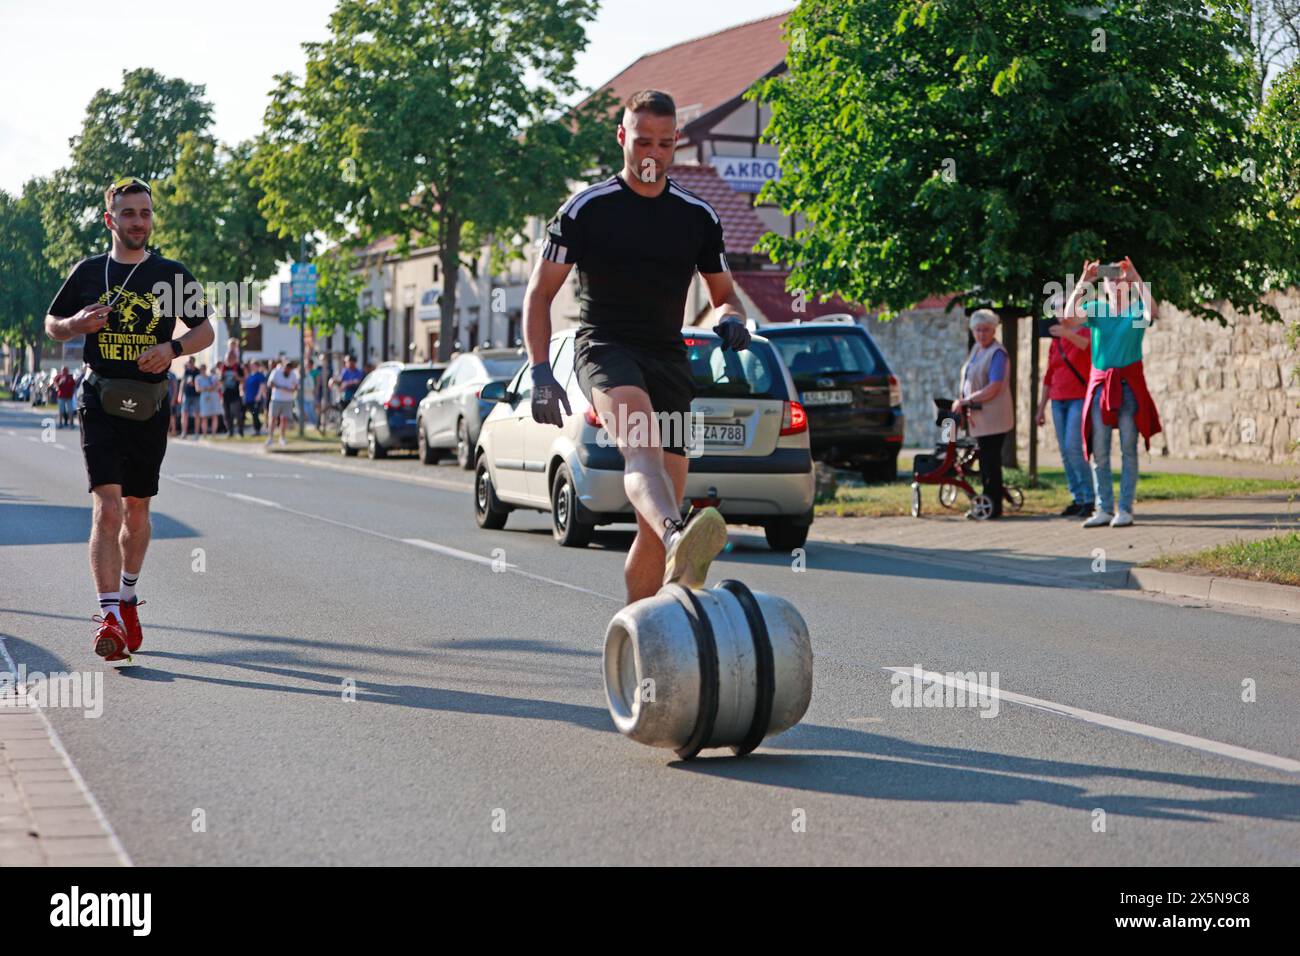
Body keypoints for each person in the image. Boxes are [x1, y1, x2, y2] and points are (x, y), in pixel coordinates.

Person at [524, 89, 751, 603]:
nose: (652, 154)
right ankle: (679, 533)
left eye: (664, 144)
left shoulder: (696, 217)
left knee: (652, 515)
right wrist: (541, 371)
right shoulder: (587, 209)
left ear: (676, 146)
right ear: (623, 137)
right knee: (642, 455)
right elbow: (539, 295)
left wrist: (732, 319)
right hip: (605, 350)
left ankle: (639, 636)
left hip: (668, 359)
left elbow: (724, 296)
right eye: (642, 141)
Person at [43, 174, 214, 660]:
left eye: (145, 213)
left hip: (150, 404)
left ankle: (128, 596)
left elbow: (205, 332)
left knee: (138, 508)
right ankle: (109, 615)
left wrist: (172, 348)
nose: (138, 221)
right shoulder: (89, 272)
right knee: (108, 506)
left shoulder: (172, 275)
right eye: (128, 213)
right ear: (109, 219)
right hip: (98, 399)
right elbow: (52, 323)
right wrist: (75, 324)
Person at [1064, 256, 1163, 528]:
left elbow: (1152, 313)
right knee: (1099, 451)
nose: (1116, 283)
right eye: (1111, 279)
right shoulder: (1097, 309)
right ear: (1104, 285)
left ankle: (1125, 509)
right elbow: (1068, 319)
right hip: (1100, 389)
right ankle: (1104, 509)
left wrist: (1137, 277)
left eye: (1120, 279)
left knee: (1128, 449)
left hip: (1128, 388)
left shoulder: (1135, 312)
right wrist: (1084, 282)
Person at [952, 309, 1013, 520]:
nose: (981, 334)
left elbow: (994, 386)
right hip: (979, 418)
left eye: (986, 330)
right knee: (986, 462)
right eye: (977, 330)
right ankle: (990, 500)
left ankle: (993, 505)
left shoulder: (997, 353)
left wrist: (967, 400)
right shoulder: (977, 349)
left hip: (993, 417)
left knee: (990, 462)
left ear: (994, 330)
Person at [1035, 299, 1094, 516]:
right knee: (1065, 452)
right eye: (1057, 311)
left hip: (1079, 397)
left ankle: (1090, 498)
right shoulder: (1056, 342)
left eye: (1063, 310)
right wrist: (1041, 408)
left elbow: (1085, 346)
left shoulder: (1085, 332)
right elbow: (1049, 376)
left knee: (1073, 448)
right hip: (1058, 400)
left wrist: (1066, 333)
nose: (1059, 314)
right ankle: (1077, 498)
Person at [265, 357, 299, 448]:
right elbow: (270, 383)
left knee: (284, 420)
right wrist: (281, 387)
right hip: (276, 399)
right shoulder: (276, 371)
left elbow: (296, 386)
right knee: (273, 419)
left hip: (287, 400)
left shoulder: (293, 374)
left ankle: (282, 438)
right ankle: (270, 438)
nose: (288, 370)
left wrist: (292, 389)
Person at [219, 353, 244, 437]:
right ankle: (230, 432)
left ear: (235, 359)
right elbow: (220, 381)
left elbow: (243, 380)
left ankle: (240, 432)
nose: (229, 360)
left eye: (231, 358)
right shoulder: (224, 368)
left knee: (237, 414)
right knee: (227, 415)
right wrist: (222, 378)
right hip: (225, 394)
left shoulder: (238, 368)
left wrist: (237, 378)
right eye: (228, 358)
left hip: (235, 395)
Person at [243, 360, 267, 435]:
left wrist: (259, 396)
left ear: (257, 366)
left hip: (256, 398)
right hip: (249, 398)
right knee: (252, 414)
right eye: (251, 365)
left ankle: (257, 430)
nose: (251, 367)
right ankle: (257, 428)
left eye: (253, 365)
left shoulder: (260, 375)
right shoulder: (250, 375)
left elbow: (262, 386)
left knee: (255, 414)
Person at [196, 363, 219, 435]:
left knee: (214, 415)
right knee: (204, 416)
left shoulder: (210, 377)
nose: (202, 370)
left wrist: (207, 388)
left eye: (204, 369)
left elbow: (215, 387)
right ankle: (204, 433)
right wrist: (206, 388)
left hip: (211, 397)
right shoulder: (198, 378)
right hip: (204, 398)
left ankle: (214, 433)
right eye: (201, 369)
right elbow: (198, 389)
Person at [180, 356, 200, 438]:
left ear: (193, 362)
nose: (189, 364)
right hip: (187, 395)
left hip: (196, 395)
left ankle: (196, 433)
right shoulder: (186, 371)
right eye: (189, 362)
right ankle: (184, 433)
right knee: (184, 413)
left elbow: (200, 384)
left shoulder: (197, 371)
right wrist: (180, 395)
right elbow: (183, 383)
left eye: (191, 362)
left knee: (196, 414)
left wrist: (194, 384)